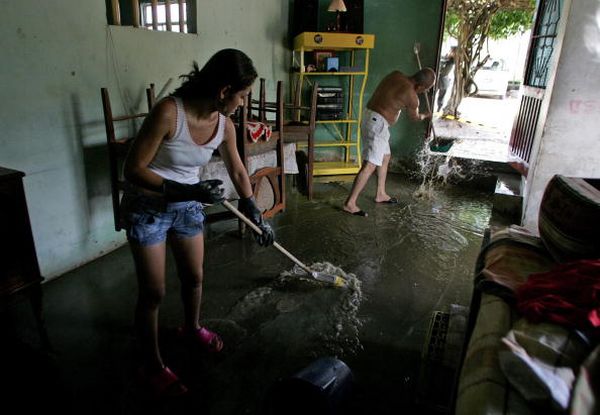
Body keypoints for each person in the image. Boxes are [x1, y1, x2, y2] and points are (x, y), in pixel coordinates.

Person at [122, 49, 274, 397]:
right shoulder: (168, 113)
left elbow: (237, 169)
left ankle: (191, 329)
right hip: (149, 206)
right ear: (224, 91)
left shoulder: (224, 125)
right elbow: (132, 169)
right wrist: (185, 189)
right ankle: (152, 364)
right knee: (153, 292)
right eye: (242, 95)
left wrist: (253, 209)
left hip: (189, 205)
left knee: (194, 277)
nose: (243, 103)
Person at [343, 68, 436, 216]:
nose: (423, 92)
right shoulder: (412, 97)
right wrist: (426, 115)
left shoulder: (396, 74)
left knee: (385, 156)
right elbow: (415, 117)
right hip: (377, 124)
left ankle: (380, 193)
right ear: (420, 87)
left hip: (372, 118)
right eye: (425, 90)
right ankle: (350, 203)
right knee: (370, 165)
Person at [436, 46, 456, 112]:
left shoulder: (452, 61)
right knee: (432, 95)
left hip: (443, 81)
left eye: (452, 51)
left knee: (441, 97)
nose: (450, 52)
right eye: (451, 51)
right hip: (437, 80)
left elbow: (444, 72)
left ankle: (439, 109)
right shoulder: (445, 58)